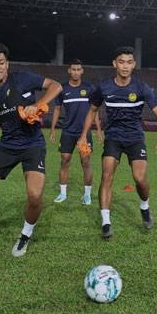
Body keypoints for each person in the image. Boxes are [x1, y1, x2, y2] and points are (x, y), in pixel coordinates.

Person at [0, 43, 62, 257]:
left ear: (7, 64)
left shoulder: (23, 78)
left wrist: (39, 104)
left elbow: (56, 86)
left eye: (1, 62)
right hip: (7, 145)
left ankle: (25, 233)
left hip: (33, 144)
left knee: (34, 195)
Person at [78, 46, 157, 239]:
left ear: (133, 64)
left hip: (135, 138)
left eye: (129, 62)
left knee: (140, 179)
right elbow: (92, 110)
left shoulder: (142, 88)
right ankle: (106, 222)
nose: (125, 66)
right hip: (113, 138)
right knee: (107, 175)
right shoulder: (103, 87)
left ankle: (144, 206)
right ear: (114, 64)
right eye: (121, 62)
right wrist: (84, 135)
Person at [49, 59, 101, 205]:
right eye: (74, 69)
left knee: (85, 162)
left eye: (79, 69)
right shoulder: (62, 89)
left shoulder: (89, 88)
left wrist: (98, 129)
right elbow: (57, 109)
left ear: (82, 71)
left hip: (84, 133)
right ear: (69, 71)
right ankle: (63, 193)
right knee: (64, 161)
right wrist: (53, 129)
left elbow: (94, 109)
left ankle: (87, 195)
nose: (76, 72)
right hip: (67, 131)